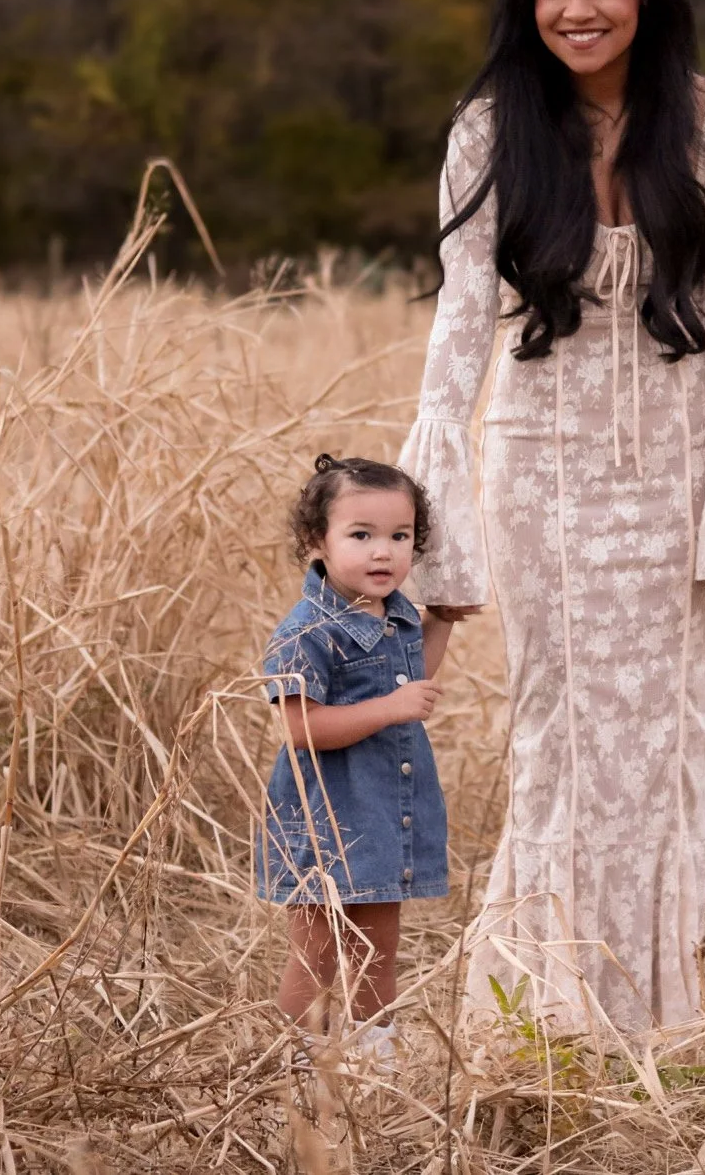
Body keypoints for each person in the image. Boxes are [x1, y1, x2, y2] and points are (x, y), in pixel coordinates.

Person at [400, 0, 705, 1036]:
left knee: (663, 737)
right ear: (529, 0)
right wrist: (431, 504)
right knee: (557, 730)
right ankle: (541, 1012)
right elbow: (462, 316)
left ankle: (654, 1014)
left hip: (674, 461)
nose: (579, 9)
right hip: (539, 463)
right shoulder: (490, 127)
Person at [259, 454, 455, 1063]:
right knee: (318, 949)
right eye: (361, 535)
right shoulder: (307, 632)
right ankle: (300, 1059)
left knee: (378, 945)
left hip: (384, 813)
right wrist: (392, 707)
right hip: (329, 819)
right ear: (317, 541)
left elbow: (411, 677)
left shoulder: (396, 614)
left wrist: (442, 622)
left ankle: (376, 1055)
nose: (383, 552)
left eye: (400, 536)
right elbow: (302, 730)